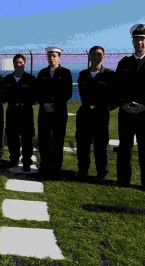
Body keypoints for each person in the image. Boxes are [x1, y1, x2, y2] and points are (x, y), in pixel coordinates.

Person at [75, 46, 116, 181]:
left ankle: (101, 173)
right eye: (93, 54)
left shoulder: (109, 75)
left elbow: (115, 97)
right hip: (85, 112)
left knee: (101, 144)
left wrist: (104, 108)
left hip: (101, 114)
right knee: (83, 144)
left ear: (103, 57)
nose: (96, 57)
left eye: (99, 55)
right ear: (89, 56)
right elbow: (83, 94)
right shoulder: (83, 75)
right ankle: (83, 170)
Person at [115, 24, 145, 189]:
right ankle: (123, 180)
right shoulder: (124, 63)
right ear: (132, 42)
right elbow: (117, 88)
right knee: (125, 147)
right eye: (137, 40)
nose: (140, 43)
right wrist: (124, 104)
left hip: (144, 113)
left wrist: (143, 106)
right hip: (126, 112)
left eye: (143, 40)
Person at [36, 46, 72, 179]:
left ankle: (56, 167)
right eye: (50, 55)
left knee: (58, 139)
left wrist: (55, 105)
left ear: (59, 57)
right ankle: (45, 165)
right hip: (44, 111)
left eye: (54, 55)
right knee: (44, 139)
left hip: (59, 112)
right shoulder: (42, 73)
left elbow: (67, 93)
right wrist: (44, 103)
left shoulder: (66, 73)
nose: (52, 58)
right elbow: (37, 92)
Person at [2, 54, 37, 172]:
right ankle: (13, 159)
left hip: (26, 111)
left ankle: (26, 161)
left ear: (24, 64)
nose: (18, 64)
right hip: (12, 111)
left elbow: (35, 97)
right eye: (16, 62)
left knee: (27, 138)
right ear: (13, 64)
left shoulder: (31, 79)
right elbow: (3, 96)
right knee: (12, 137)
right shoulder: (7, 80)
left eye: (21, 62)